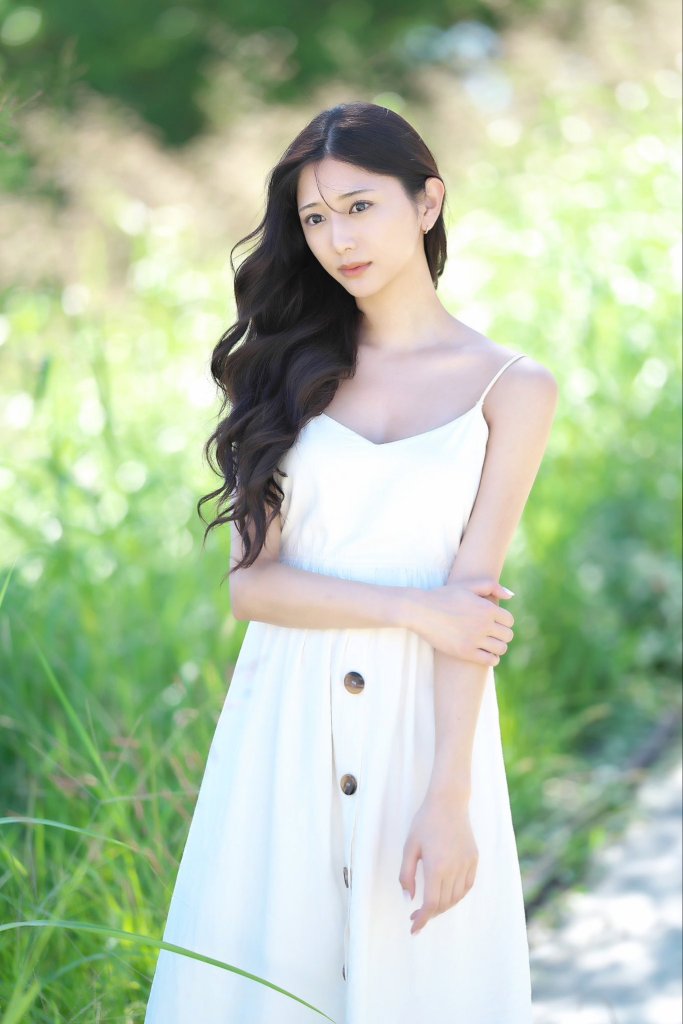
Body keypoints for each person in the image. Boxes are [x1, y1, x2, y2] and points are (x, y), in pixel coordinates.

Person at [144, 100, 558, 1023]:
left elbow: (473, 609)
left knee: (416, 981)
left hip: (421, 734)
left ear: (426, 202)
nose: (338, 238)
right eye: (314, 219)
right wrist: (414, 609)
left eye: (359, 206)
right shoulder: (285, 371)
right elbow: (253, 588)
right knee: (269, 979)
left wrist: (448, 796)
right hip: (283, 726)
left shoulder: (512, 389)